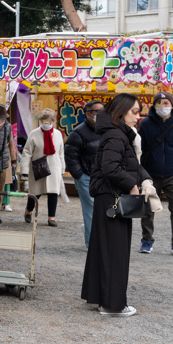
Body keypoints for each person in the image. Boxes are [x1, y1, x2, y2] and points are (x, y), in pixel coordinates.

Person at [82, 93, 151, 316]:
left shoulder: (117, 134)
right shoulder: (116, 135)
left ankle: (100, 298)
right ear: (121, 112)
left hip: (109, 197)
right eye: (134, 111)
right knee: (115, 251)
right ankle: (112, 305)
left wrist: (145, 179)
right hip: (113, 198)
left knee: (105, 248)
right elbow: (110, 167)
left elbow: (130, 163)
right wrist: (132, 184)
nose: (137, 116)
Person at [137, 92, 173, 256]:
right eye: (159, 103)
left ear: (171, 105)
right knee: (148, 207)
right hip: (150, 174)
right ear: (154, 105)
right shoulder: (145, 124)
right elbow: (138, 149)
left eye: (166, 103)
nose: (163, 106)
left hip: (172, 174)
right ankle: (146, 239)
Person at [65, 101, 104, 246]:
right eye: (97, 112)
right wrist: (79, 175)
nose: (101, 114)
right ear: (88, 114)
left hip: (103, 177)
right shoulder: (78, 132)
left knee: (102, 209)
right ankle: (92, 244)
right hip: (86, 176)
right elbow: (70, 155)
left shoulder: (106, 129)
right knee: (91, 210)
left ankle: (100, 241)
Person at [20, 109, 66, 227]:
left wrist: (62, 168)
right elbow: (27, 152)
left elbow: (61, 153)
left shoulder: (57, 134)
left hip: (54, 166)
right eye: (44, 120)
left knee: (53, 192)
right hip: (38, 167)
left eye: (49, 120)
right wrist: (24, 170)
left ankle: (51, 217)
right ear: (40, 121)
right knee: (35, 193)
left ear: (53, 121)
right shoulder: (34, 133)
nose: (46, 123)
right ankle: (28, 210)